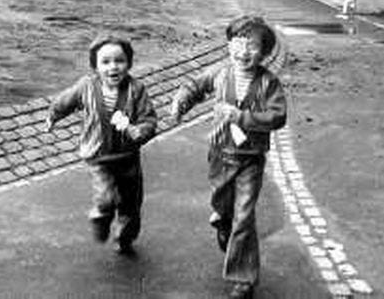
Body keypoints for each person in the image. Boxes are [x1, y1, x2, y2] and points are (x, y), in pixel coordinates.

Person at [170, 16, 287, 299]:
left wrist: (244, 117)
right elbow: (195, 86)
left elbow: (278, 115)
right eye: (238, 43)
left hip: (250, 159)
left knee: (244, 216)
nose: (244, 52)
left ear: (265, 51)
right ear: (228, 45)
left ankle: (243, 278)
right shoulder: (221, 73)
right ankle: (223, 222)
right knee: (222, 205)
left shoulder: (268, 83)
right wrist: (180, 103)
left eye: (252, 46)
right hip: (221, 154)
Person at [46, 35, 157, 254]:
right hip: (99, 156)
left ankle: (125, 238)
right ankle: (101, 215)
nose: (113, 67)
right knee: (106, 197)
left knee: (131, 204)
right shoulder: (86, 86)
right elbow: (65, 101)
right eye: (105, 62)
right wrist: (53, 116)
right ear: (95, 66)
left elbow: (150, 121)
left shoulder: (137, 89)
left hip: (128, 158)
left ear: (129, 63)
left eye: (119, 61)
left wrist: (136, 130)